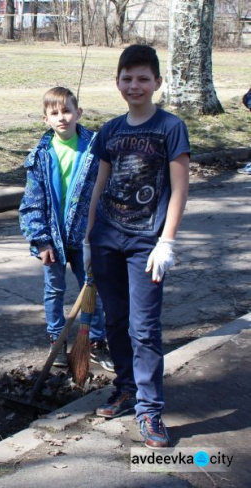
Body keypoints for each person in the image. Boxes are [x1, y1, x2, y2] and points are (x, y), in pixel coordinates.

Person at [85, 45, 190, 449]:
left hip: (147, 244)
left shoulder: (170, 127)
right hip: (107, 238)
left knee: (144, 328)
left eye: (143, 78)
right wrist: (89, 236)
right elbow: (100, 184)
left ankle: (150, 409)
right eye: (127, 78)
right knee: (115, 323)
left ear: (157, 83)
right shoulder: (110, 130)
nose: (135, 85)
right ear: (118, 83)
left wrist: (167, 241)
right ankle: (126, 388)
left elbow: (180, 188)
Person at [19, 87, 113, 372]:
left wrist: (104, 234)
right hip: (54, 241)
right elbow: (32, 201)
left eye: (67, 111)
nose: (62, 118)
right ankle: (57, 341)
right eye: (55, 113)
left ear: (79, 113)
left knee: (93, 290)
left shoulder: (96, 149)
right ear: (45, 119)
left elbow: (109, 191)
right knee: (53, 292)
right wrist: (41, 241)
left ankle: (96, 342)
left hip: (87, 239)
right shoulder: (40, 156)